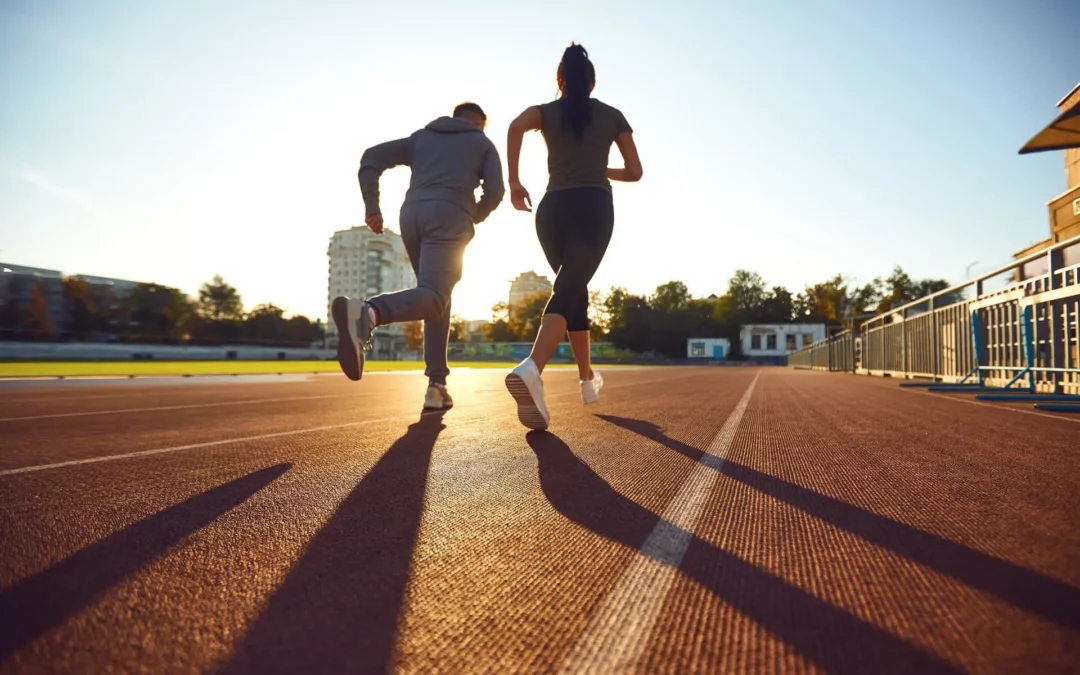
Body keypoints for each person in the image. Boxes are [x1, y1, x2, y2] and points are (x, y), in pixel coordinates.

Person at [503, 44, 643, 430]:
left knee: (572, 288)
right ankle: (533, 367)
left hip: (551, 211)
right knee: (568, 289)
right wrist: (601, 168)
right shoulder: (613, 116)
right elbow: (635, 171)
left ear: (560, 80)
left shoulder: (545, 112)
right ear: (593, 82)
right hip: (592, 207)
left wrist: (514, 182)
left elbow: (515, 125)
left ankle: (586, 379)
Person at [333, 102, 504, 411]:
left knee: (435, 299)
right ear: (480, 122)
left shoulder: (422, 138)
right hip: (450, 214)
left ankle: (436, 386)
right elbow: (495, 191)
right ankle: (368, 313)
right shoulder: (482, 142)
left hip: (411, 215)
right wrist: (474, 214)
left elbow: (371, 157)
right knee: (435, 297)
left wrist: (372, 205)